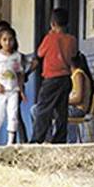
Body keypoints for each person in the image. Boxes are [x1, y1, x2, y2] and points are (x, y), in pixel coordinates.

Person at [32, 8, 76, 144]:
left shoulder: (49, 39)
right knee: (61, 111)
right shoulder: (72, 39)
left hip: (51, 79)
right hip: (65, 78)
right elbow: (73, 55)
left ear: (52, 23)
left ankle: (37, 139)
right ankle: (60, 139)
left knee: (43, 109)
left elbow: (39, 54)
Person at [0, 27, 26, 146]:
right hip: (0, 90)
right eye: (4, 40)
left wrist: (21, 90)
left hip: (13, 90)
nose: (7, 42)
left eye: (10, 39)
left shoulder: (16, 56)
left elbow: (20, 73)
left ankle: (10, 142)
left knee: (13, 114)